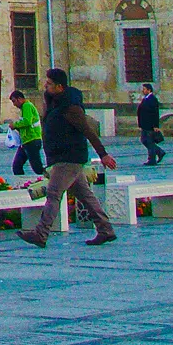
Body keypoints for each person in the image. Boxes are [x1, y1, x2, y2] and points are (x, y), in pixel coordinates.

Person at [18, 68, 118, 249]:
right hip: (63, 158)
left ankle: (41, 233)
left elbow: (88, 131)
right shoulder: (55, 103)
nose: (45, 86)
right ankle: (106, 230)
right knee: (85, 196)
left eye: (48, 84)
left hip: (69, 158)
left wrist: (103, 154)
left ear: (59, 87)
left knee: (54, 194)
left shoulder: (70, 107)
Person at [9, 88, 44, 176]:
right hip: (26, 141)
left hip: (32, 140)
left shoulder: (27, 106)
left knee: (37, 168)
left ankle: (52, 178)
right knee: (17, 166)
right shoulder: (24, 108)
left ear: (19, 99)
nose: (14, 104)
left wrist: (15, 125)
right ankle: (21, 184)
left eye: (14, 101)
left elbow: (27, 121)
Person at [135, 83, 164, 166]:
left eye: (144, 89)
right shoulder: (146, 99)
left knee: (149, 141)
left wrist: (156, 126)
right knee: (144, 140)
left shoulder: (153, 99)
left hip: (150, 125)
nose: (143, 91)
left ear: (149, 90)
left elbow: (155, 113)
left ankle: (152, 160)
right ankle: (159, 152)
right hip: (145, 124)